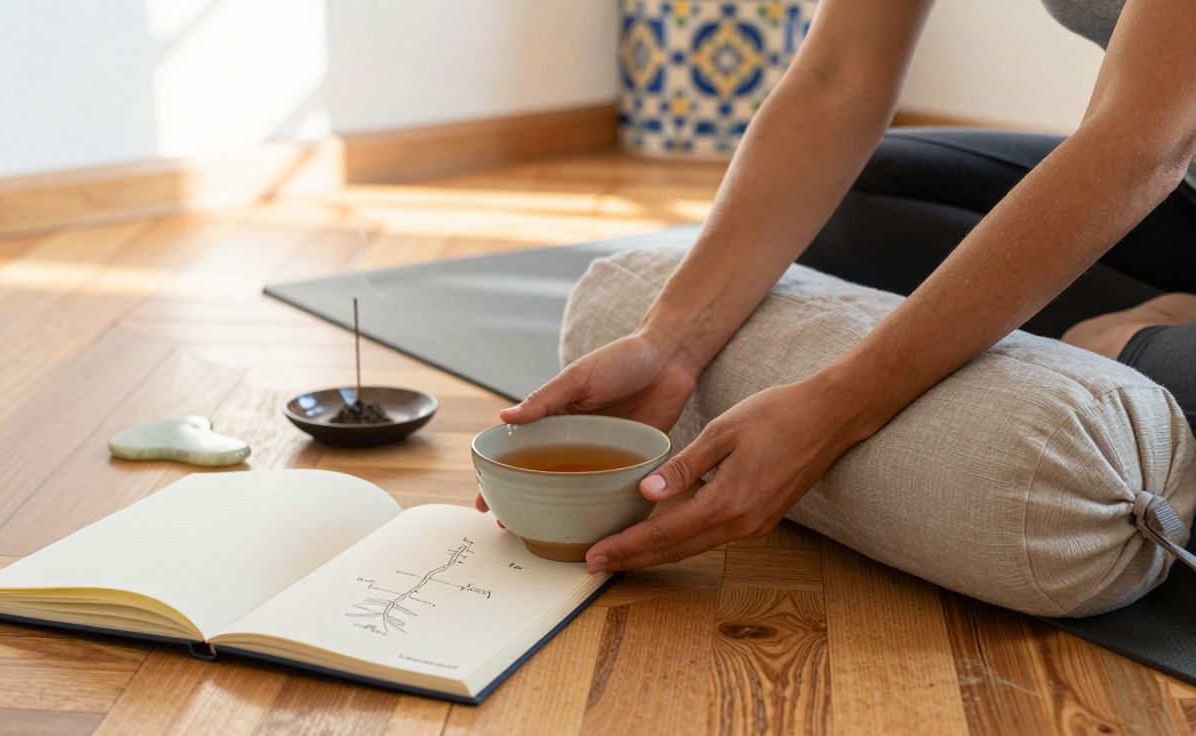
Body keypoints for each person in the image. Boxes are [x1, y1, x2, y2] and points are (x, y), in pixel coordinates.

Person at [478, 0, 1196, 574]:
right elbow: (837, 77)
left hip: (1153, 157)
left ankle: (1136, 341)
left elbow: (1140, 143)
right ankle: (1140, 340)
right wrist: (671, 341)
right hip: (1179, 206)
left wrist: (838, 408)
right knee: (851, 201)